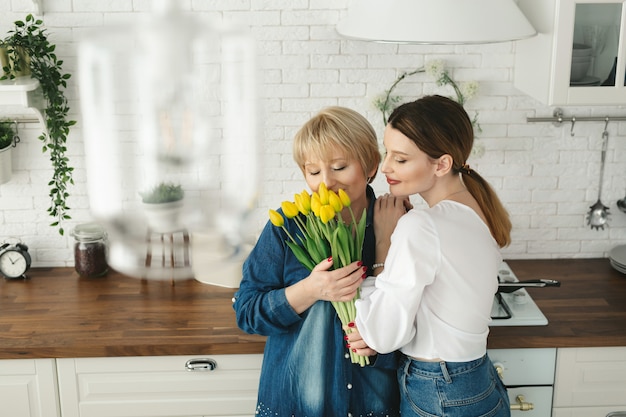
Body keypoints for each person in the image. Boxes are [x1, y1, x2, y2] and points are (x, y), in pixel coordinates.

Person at [348, 95, 513, 417]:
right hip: (478, 380)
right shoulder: (478, 210)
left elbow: (383, 335)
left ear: (442, 164)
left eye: (401, 159)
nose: (385, 168)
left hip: (439, 388)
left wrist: (384, 242)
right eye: (387, 153)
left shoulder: (422, 224)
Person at [233, 106, 401, 417]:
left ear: (371, 166)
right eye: (313, 171)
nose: (326, 182)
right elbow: (246, 312)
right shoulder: (288, 226)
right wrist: (310, 290)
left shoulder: (399, 223)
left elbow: (419, 319)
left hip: (373, 403)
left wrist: (381, 339)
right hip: (295, 404)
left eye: (339, 167)